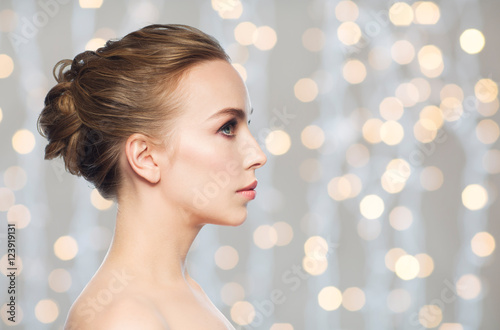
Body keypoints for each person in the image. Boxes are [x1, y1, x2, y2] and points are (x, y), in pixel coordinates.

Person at [37, 24, 267, 329]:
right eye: (227, 127)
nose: (257, 155)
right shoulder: (125, 319)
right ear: (145, 157)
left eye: (246, 123)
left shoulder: (183, 293)